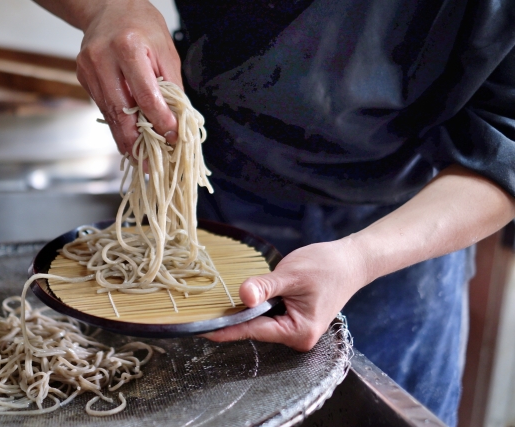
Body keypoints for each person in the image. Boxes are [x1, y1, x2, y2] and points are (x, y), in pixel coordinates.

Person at [33, 1, 515, 425]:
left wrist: (363, 257)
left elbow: (506, 146)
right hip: (210, 205)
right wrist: (105, 7)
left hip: (401, 237)